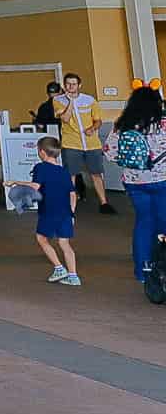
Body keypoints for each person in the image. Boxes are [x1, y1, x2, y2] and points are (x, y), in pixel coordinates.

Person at [103, 84, 166, 285]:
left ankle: (142, 271)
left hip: (134, 183)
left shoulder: (122, 124)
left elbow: (110, 153)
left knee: (143, 223)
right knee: (163, 222)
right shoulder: (162, 123)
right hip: (162, 180)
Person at [57, 72, 117, 214]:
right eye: (68, 84)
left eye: (74, 84)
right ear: (64, 85)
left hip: (91, 144)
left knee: (96, 173)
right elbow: (65, 118)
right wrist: (71, 101)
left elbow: (98, 120)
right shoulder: (58, 100)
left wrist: (93, 128)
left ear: (79, 85)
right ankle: (70, 206)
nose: (71, 86)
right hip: (71, 143)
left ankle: (104, 203)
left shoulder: (89, 100)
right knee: (71, 174)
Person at [28, 136, 80, 286]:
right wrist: (72, 213)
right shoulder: (64, 171)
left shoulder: (40, 167)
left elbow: (35, 187)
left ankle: (58, 268)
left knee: (41, 239)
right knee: (65, 244)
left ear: (42, 152)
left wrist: (15, 183)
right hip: (65, 212)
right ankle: (73, 276)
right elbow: (72, 194)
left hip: (49, 211)